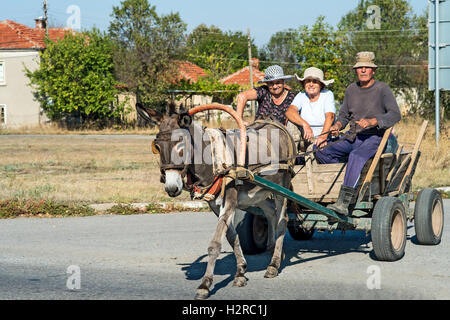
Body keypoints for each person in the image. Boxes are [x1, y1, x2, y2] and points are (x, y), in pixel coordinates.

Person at [315, 51, 401, 216]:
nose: (362, 70)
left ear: (373, 71)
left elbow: (395, 114)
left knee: (356, 155)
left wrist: (373, 121)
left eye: (366, 68)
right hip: (353, 136)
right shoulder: (351, 89)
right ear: (356, 70)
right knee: (320, 149)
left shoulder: (382, 89)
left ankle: (344, 202)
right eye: (359, 67)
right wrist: (338, 125)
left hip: (375, 137)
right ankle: (347, 178)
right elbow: (344, 116)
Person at [286, 67, 336, 149]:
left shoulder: (327, 94)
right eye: (308, 81)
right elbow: (289, 112)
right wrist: (305, 124)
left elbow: (330, 116)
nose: (311, 84)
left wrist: (323, 137)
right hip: (305, 137)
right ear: (304, 84)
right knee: (291, 122)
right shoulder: (301, 95)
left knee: (313, 149)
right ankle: (291, 156)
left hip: (321, 137)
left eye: (315, 82)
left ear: (321, 85)